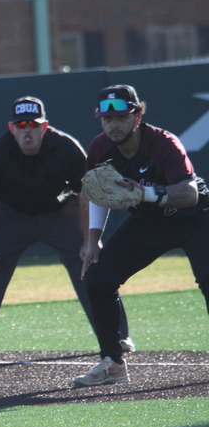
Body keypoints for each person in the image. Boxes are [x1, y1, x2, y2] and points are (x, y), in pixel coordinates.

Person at [0, 96, 131, 361]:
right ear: (12, 128)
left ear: (44, 126)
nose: (27, 130)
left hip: (58, 212)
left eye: (33, 125)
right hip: (11, 215)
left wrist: (88, 241)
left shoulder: (65, 146)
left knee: (91, 262)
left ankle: (117, 337)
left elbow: (86, 194)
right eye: (21, 125)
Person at [74, 84, 209, 387]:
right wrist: (93, 239)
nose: (113, 125)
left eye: (121, 117)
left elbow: (189, 194)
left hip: (196, 218)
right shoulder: (99, 148)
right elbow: (96, 193)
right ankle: (112, 364)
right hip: (151, 223)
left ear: (137, 117)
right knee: (98, 279)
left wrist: (145, 193)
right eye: (107, 119)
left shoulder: (163, 142)